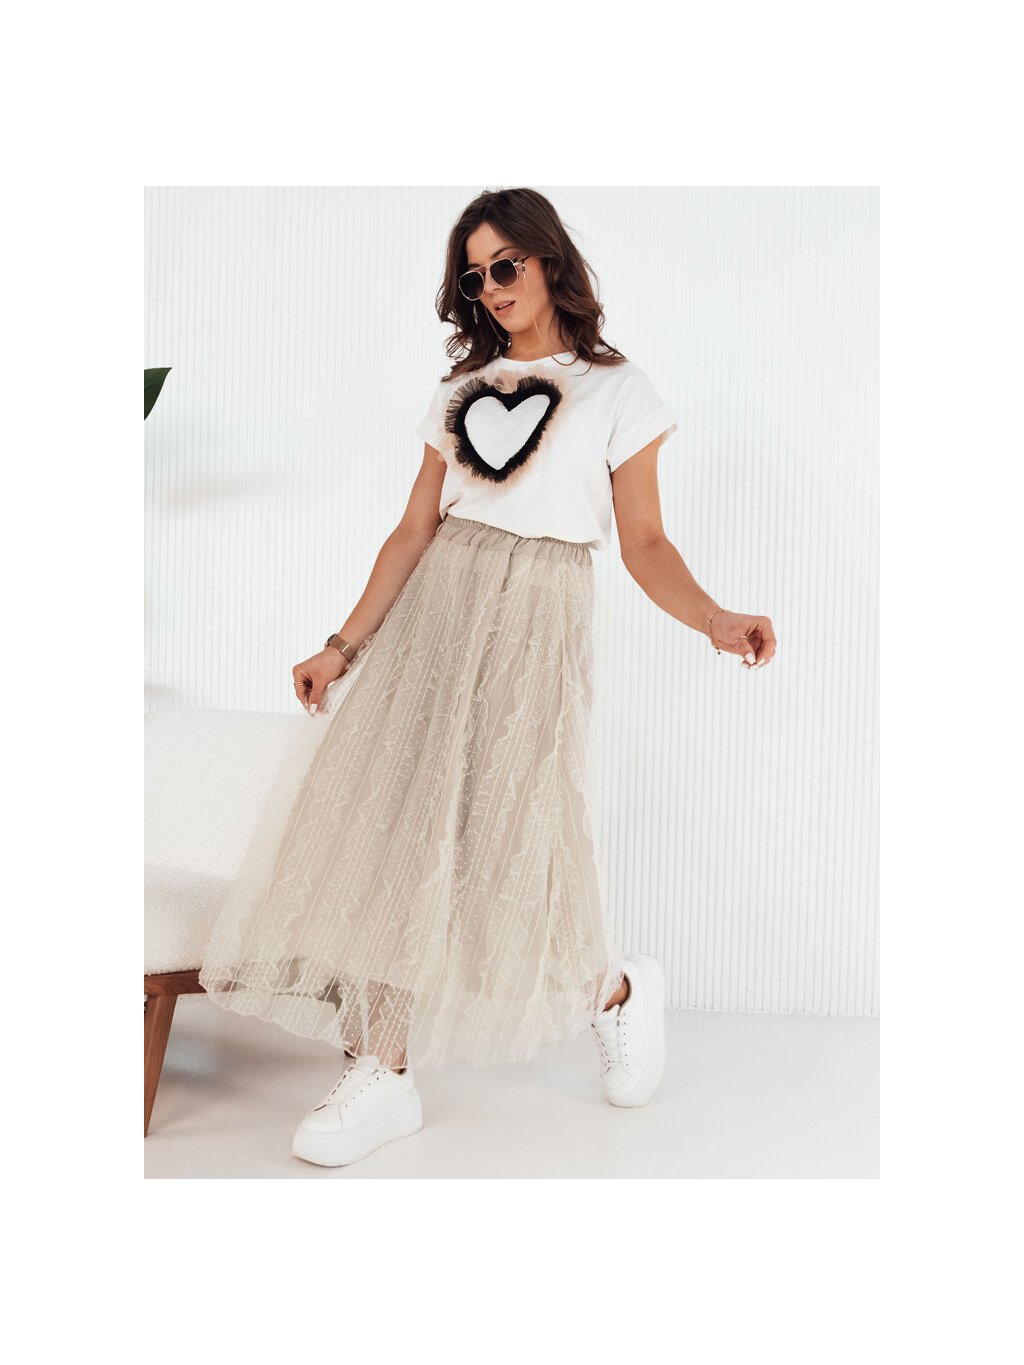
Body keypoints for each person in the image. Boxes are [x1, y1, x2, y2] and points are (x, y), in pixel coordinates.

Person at [197, 187, 776, 1169]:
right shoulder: (461, 388)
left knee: (517, 839)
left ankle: (613, 991)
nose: (493, 287)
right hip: (438, 613)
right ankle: (382, 1067)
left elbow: (643, 543)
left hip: (539, 621)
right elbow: (413, 529)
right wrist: (342, 645)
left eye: (506, 265)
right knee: (392, 825)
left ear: (549, 260)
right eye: (475, 277)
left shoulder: (618, 391)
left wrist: (715, 618)